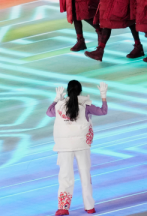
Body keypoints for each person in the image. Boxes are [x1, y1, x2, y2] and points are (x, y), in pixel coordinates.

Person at [47, 80, 108, 215]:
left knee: (65, 176)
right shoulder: (86, 106)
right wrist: (103, 95)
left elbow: (48, 112)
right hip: (82, 145)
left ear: (67, 91)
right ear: (80, 91)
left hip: (64, 147)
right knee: (85, 175)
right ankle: (89, 206)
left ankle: (63, 208)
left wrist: (57, 98)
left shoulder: (59, 106)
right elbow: (103, 111)